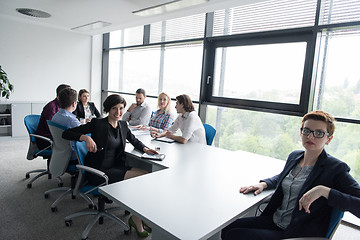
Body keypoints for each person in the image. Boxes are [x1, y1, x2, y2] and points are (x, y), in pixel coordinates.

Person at [221, 110, 360, 240]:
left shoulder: (336, 168)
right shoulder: (295, 156)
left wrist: (324, 191)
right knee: (227, 228)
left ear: (329, 139)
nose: (310, 136)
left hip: (296, 231)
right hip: (275, 219)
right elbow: (285, 176)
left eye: (319, 133)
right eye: (306, 131)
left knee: (235, 234)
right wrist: (264, 184)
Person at [62, 94, 158, 238]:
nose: (118, 112)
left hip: (116, 167)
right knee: (141, 177)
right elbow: (66, 133)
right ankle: (138, 219)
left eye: (121, 108)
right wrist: (85, 137)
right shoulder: (98, 124)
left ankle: (136, 217)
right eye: (114, 108)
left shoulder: (123, 125)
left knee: (146, 175)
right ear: (108, 109)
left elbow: (134, 140)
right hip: (98, 171)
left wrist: (145, 149)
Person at [35, 84, 70, 150]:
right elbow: (53, 128)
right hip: (46, 139)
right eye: (68, 94)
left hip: (54, 136)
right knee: (71, 145)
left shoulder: (63, 106)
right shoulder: (52, 107)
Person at [51, 88, 81, 161]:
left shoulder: (56, 116)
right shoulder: (72, 120)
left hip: (60, 151)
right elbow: (85, 135)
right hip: (74, 153)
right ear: (74, 104)